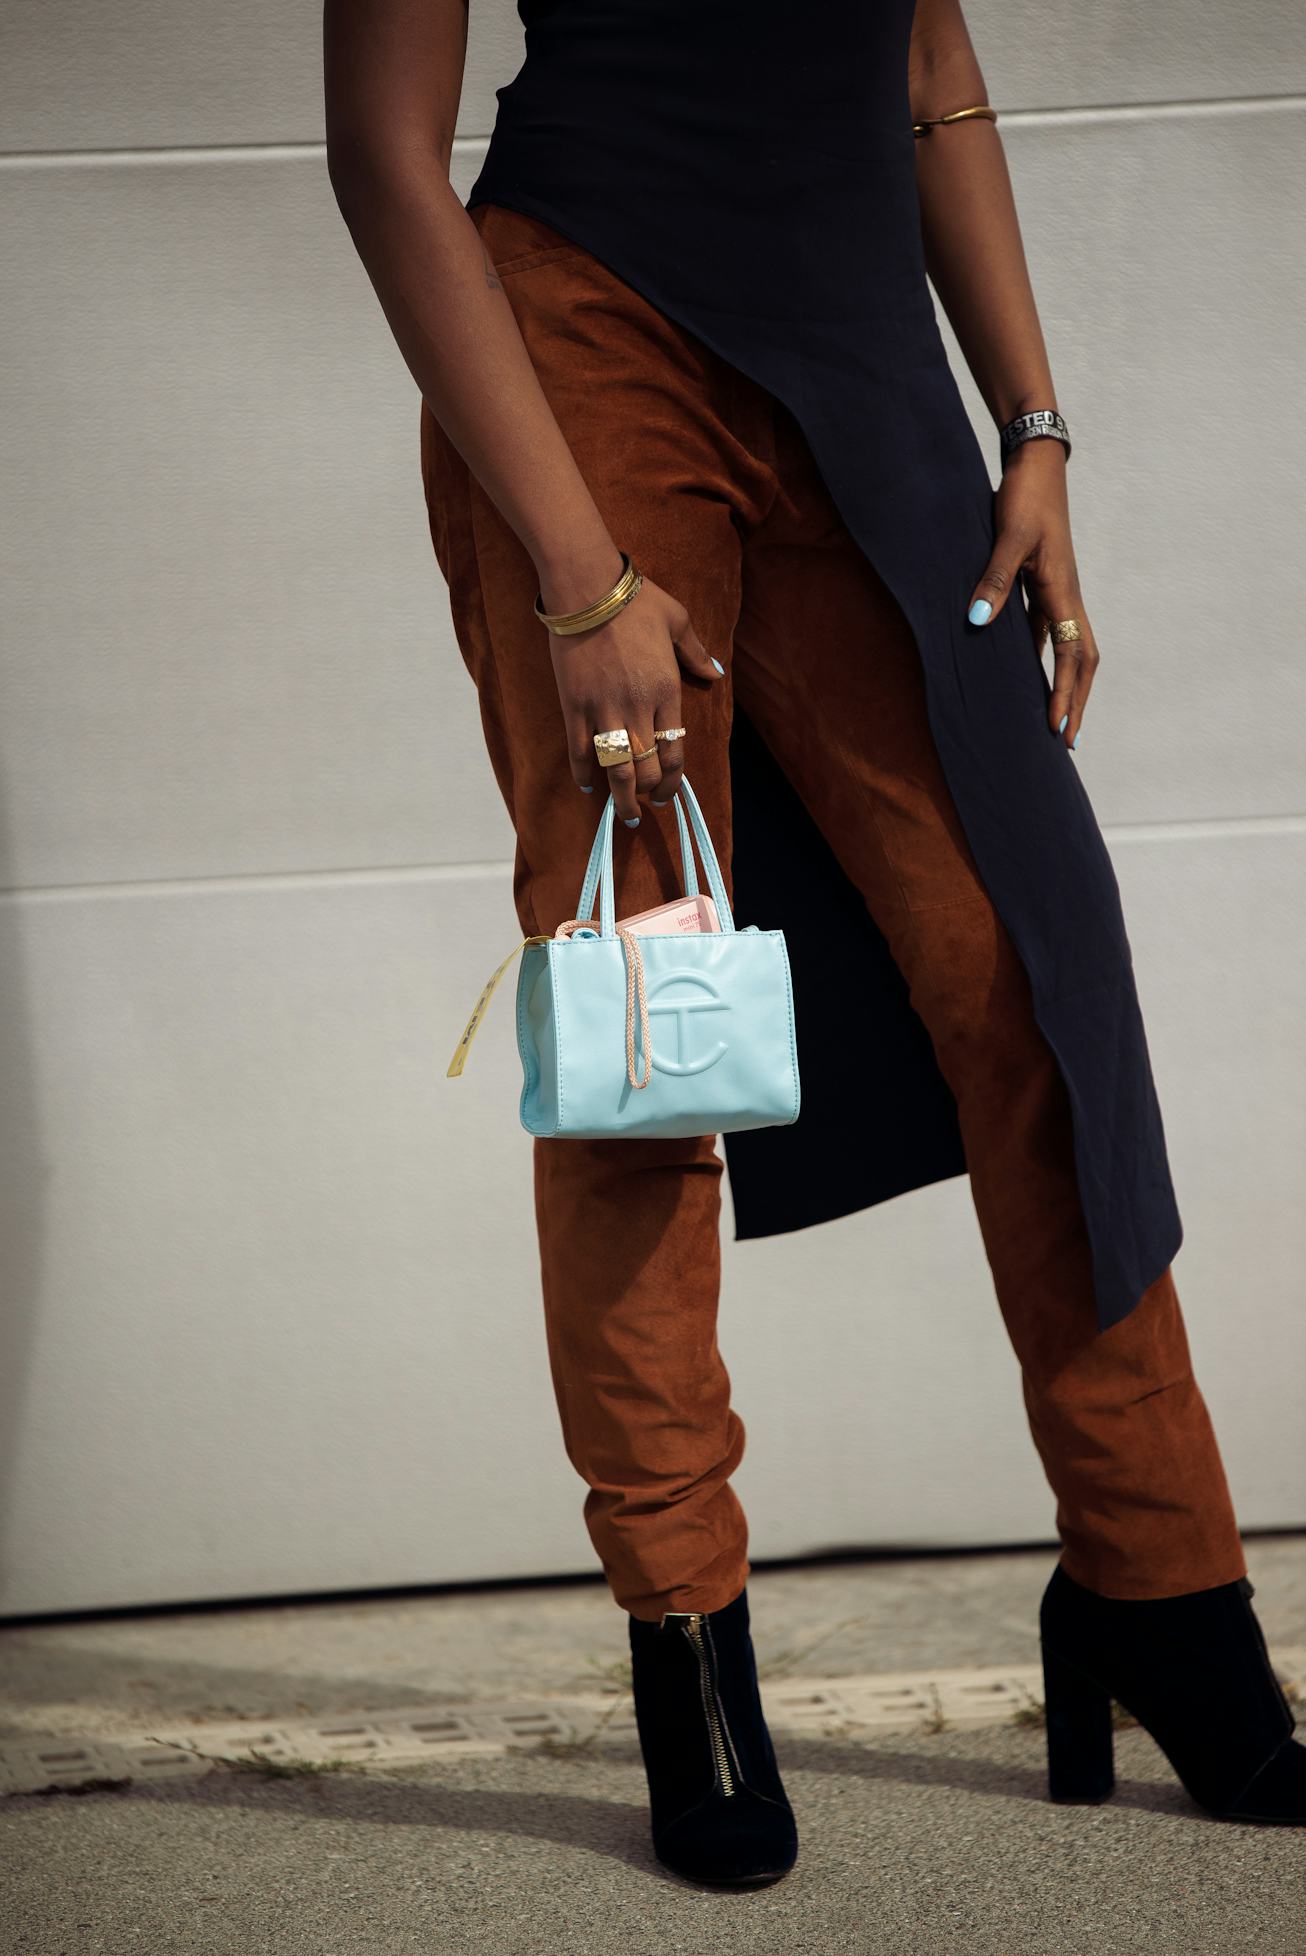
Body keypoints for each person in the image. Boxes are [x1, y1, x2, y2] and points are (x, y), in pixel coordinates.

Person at [324, 0, 1305, 1886]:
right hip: (579, 348)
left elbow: (925, 57)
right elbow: (385, 154)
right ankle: (685, 1638)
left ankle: (1155, 1586)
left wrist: (1031, 423)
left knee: (1034, 971)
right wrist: (572, 566)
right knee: (649, 1015)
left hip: (864, 362)